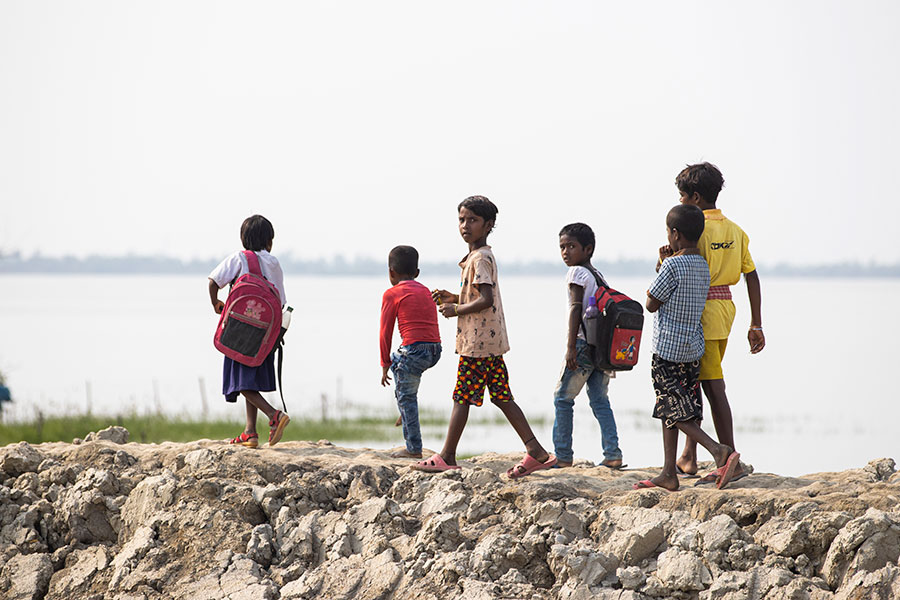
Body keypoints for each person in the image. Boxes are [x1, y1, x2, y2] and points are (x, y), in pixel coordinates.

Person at [415, 196, 556, 477]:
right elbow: (477, 296)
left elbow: (486, 300)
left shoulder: (480, 258)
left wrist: (456, 309)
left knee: (461, 397)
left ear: (488, 225)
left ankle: (447, 455)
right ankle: (537, 452)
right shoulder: (479, 257)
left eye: (473, 220)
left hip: (477, 345)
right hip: (489, 342)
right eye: (461, 219)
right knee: (502, 397)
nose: (465, 225)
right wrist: (455, 297)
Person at [664, 162, 764, 483]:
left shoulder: (693, 228)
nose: (679, 202)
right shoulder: (736, 230)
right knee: (700, 378)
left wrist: (665, 259)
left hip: (699, 311)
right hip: (727, 309)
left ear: (694, 197)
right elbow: (751, 275)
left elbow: (682, 272)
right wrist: (756, 323)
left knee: (710, 384)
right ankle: (689, 457)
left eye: (682, 196)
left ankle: (728, 457)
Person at [634, 205, 740, 491]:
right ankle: (669, 472)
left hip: (668, 348)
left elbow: (652, 304)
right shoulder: (703, 265)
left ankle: (717, 451)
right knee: (677, 409)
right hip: (693, 348)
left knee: (670, 407)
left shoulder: (671, 265)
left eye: (668, 232)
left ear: (675, 235)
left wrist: (660, 265)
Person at [208, 214, 291, 448]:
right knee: (250, 379)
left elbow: (213, 281)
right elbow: (281, 301)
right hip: (264, 334)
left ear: (243, 239)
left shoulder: (238, 258)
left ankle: (274, 415)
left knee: (240, 381)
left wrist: (216, 303)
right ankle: (250, 432)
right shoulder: (274, 262)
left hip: (239, 332)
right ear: (269, 242)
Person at [552, 223, 624, 469]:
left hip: (582, 345)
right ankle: (613, 453)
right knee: (599, 400)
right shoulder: (597, 274)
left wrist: (571, 347)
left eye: (571, 246)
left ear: (588, 249)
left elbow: (575, 309)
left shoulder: (576, 273)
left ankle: (562, 456)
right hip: (600, 348)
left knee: (562, 398)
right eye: (562, 247)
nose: (565, 252)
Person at [379, 245, 442, 459]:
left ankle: (413, 448)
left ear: (391, 272)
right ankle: (404, 408)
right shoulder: (425, 290)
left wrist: (383, 364)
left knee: (405, 390)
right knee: (400, 364)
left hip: (414, 351)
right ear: (417, 273)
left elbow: (385, 333)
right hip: (434, 350)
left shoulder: (392, 294)